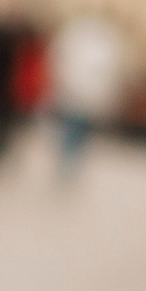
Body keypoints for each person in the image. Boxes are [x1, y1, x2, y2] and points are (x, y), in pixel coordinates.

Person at [45, 10, 124, 179]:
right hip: (78, 94)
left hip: (82, 95)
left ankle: (68, 160)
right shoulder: (96, 41)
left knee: (76, 128)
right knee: (74, 128)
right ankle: (67, 160)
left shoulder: (98, 41)